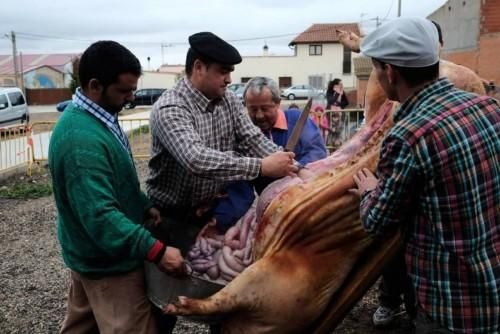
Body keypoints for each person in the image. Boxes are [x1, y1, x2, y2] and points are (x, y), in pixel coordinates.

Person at [351, 17, 499, 334]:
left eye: (377, 69)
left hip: (453, 305)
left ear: (389, 72)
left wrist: (369, 189)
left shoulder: (407, 136)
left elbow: (378, 221)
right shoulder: (488, 107)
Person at [146, 32, 298, 333]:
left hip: (211, 212)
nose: (229, 79)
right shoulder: (170, 109)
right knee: (166, 303)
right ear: (199, 67)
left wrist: (295, 168)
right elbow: (196, 159)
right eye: (223, 71)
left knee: (222, 295)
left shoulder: (227, 100)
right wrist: (261, 167)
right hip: (170, 220)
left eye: (230, 72)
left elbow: (253, 139)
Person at [48, 41, 185, 334]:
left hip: (89, 254)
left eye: (133, 89)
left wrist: (142, 204)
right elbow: (100, 216)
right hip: (108, 265)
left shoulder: (97, 118)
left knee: (82, 327)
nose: (131, 97)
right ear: (95, 85)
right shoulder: (80, 139)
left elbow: (117, 179)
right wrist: (157, 251)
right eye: (124, 91)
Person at [211, 76, 327, 232]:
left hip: (306, 205)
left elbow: (317, 153)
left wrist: (294, 176)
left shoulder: (297, 119)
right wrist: (219, 220)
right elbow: (241, 187)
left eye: (265, 108)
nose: (259, 115)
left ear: (278, 103)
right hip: (273, 215)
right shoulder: (246, 137)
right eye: (253, 109)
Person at [325, 79, 349, 149]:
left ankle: (338, 145)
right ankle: (330, 146)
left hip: (339, 115)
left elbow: (346, 103)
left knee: (339, 130)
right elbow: (331, 101)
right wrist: (337, 93)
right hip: (331, 114)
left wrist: (339, 104)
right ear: (335, 85)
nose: (341, 86)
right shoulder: (330, 91)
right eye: (340, 84)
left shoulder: (342, 92)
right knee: (332, 130)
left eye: (342, 84)